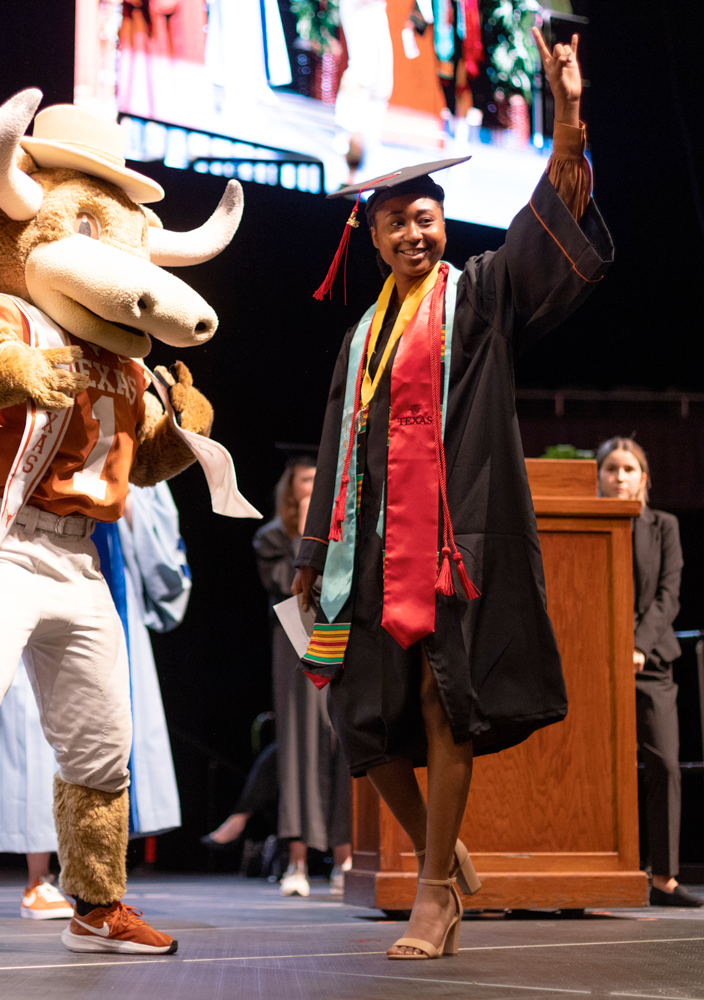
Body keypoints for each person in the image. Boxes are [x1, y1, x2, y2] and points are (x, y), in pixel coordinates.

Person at [294, 30, 611, 959]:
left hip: (450, 544)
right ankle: (447, 850)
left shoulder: (477, 298)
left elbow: (547, 218)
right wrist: (314, 554)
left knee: (444, 708)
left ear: (441, 220)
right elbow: (335, 444)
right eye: (393, 222)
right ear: (373, 233)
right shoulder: (361, 336)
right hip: (367, 548)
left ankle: (434, 893)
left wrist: (564, 118)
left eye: (424, 216)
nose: (411, 233)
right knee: (353, 715)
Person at [0, 482, 188, 919]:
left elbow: (157, 539)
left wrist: (129, 506)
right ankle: (37, 878)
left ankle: (96, 885)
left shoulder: (117, 441)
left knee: (103, 729)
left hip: (98, 579)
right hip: (27, 565)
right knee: (32, 729)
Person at [596, 438, 702, 909]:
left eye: (629, 469)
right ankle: (592, 868)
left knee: (663, 764)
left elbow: (669, 595)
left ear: (645, 478)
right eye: (611, 469)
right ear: (597, 476)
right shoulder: (588, 525)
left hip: (651, 663)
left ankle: (664, 877)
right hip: (595, 663)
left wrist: (637, 646)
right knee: (594, 769)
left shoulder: (665, 526)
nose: (619, 477)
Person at [252, 457, 352, 896]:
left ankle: (345, 859)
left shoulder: (343, 534)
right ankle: (297, 864)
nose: (312, 488)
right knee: (298, 751)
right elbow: (288, 583)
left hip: (338, 640)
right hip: (295, 648)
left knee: (342, 746)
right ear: (290, 493)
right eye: (304, 484)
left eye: (318, 482)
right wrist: (307, 538)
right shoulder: (272, 538)